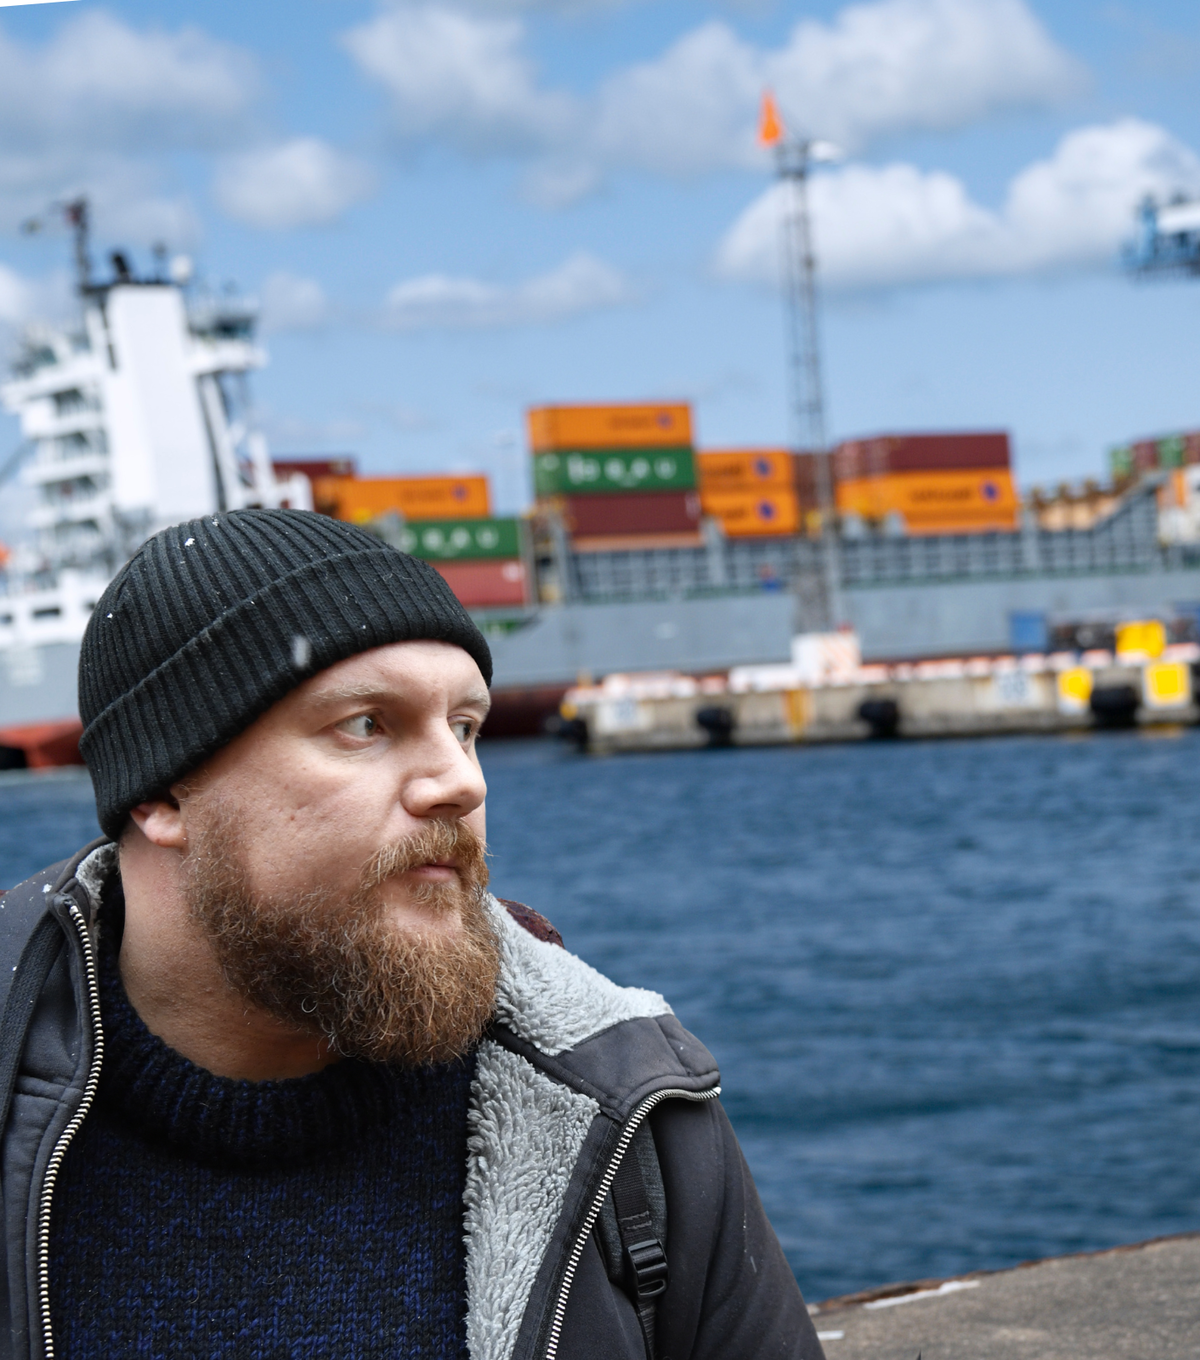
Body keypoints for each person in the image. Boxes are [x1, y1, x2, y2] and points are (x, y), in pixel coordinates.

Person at [0, 510, 823, 1359]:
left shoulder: (628, 1101)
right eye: (367, 724)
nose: (461, 781)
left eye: (464, 727)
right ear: (165, 794)